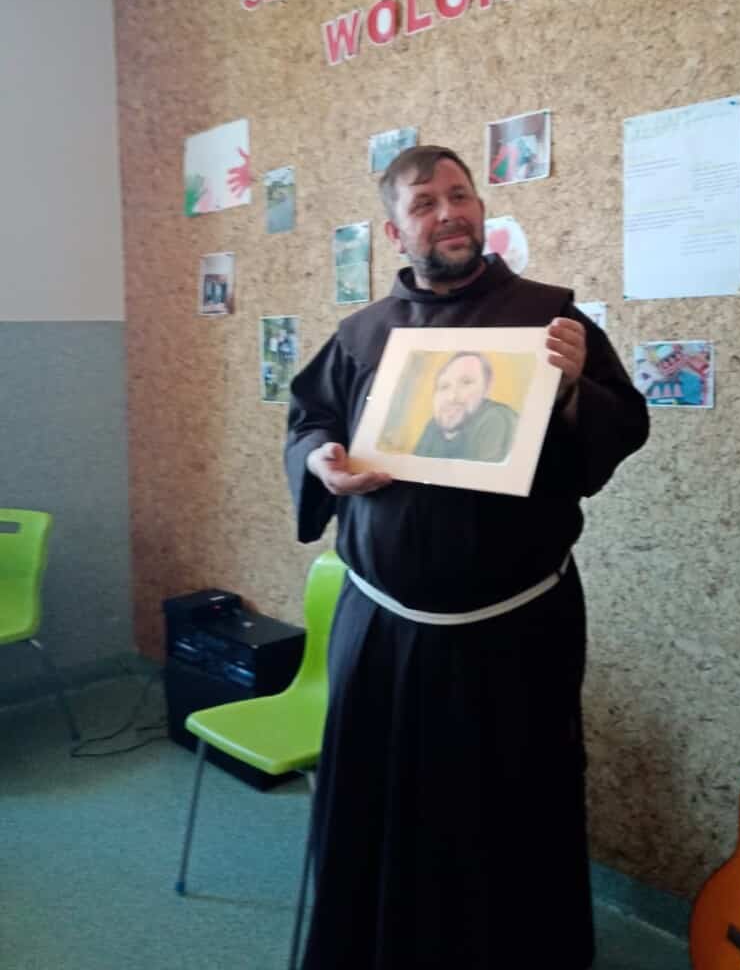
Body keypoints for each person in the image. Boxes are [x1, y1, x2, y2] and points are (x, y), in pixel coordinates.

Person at [284, 145, 649, 970]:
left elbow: (625, 424)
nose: (448, 213)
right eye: (425, 203)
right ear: (395, 231)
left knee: (512, 809)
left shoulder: (550, 319)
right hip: (380, 628)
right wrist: (320, 462)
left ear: (481, 209)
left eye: (461, 196)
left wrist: (572, 390)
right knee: (377, 802)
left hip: (515, 628)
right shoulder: (361, 336)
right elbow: (309, 420)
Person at [413, 350, 517, 462]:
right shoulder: (433, 426)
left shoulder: (498, 418)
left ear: (486, 389)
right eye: (444, 386)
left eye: (466, 382)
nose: (451, 397)